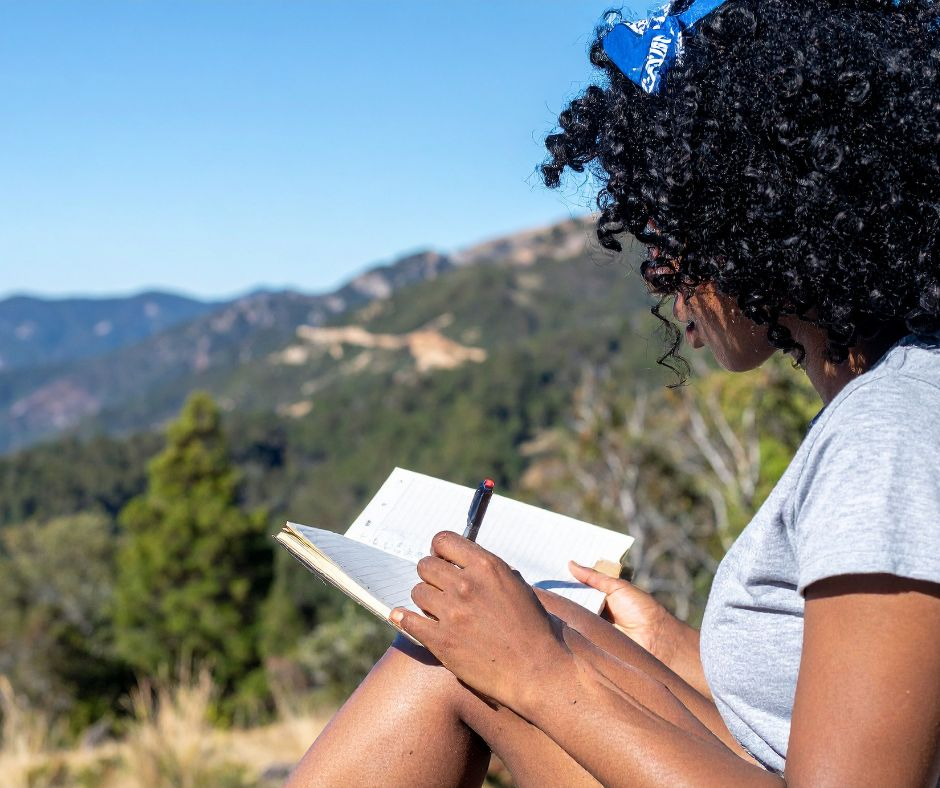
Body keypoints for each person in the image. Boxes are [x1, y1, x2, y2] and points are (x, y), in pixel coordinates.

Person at [287, 0, 940, 784]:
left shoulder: (888, 434)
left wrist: (543, 676)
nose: (657, 270)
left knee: (448, 658)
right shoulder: (900, 394)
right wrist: (661, 647)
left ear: (756, 208)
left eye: (668, 226)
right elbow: (811, 715)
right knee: (537, 618)